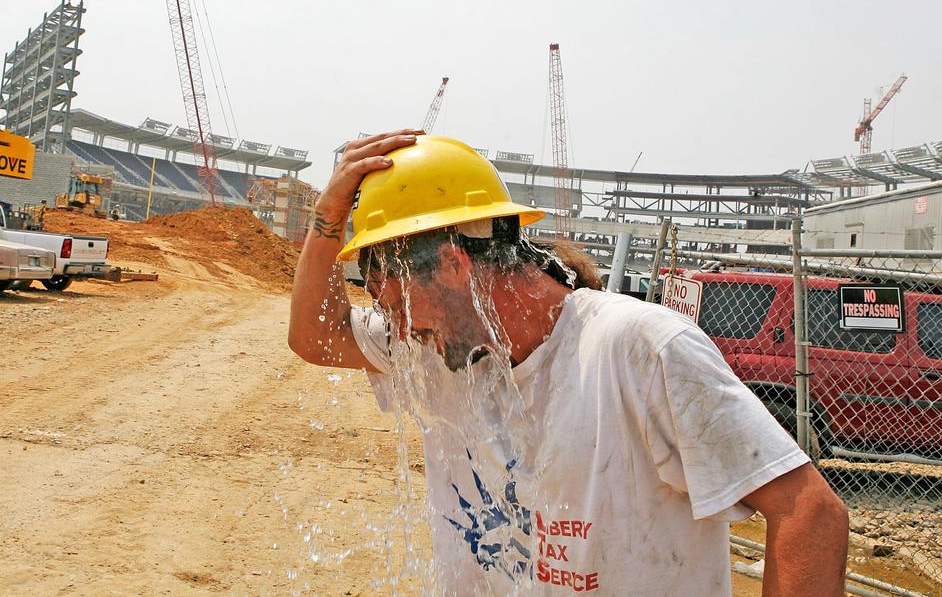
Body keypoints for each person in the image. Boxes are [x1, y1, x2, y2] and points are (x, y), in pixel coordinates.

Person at [288, 130, 848, 596]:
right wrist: (325, 220)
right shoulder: (437, 350)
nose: (402, 329)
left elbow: (809, 513)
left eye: (399, 305)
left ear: (456, 264)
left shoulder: (637, 349)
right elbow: (317, 335)